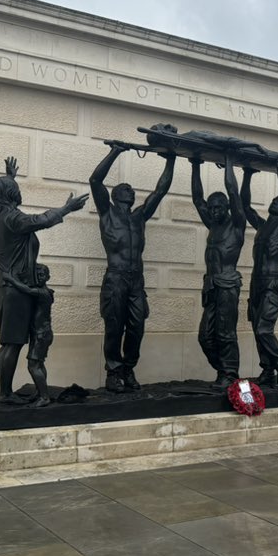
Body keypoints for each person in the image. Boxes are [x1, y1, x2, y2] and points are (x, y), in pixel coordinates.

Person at [0, 157, 88, 404]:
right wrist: (66, 209)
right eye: (16, 189)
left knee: (9, 341)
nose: (19, 191)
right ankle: (5, 394)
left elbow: (6, 200)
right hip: (15, 287)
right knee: (13, 343)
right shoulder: (12, 218)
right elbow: (40, 221)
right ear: (10, 195)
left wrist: (9, 178)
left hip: (4, 283)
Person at [90, 134, 176, 392]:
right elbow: (95, 180)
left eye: (131, 188)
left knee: (137, 326)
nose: (131, 190)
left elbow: (161, 190)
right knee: (114, 326)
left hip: (136, 280)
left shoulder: (139, 217)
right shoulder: (107, 212)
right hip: (116, 278)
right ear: (116, 195)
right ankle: (114, 372)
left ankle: (129, 368)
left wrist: (170, 159)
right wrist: (115, 152)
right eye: (125, 188)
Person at [191, 151, 246, 388]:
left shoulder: (237, 224)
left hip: (228, 285)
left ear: (227, 208)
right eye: (211, 208)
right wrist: (195, 164)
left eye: (218, 207)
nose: (213, 211)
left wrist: (228, 163)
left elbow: (234, 192)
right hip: (211, 286)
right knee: (205, 337)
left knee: (225, 333)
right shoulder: (212, 225)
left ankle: (229, 373)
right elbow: (197, 198)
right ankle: (224, 371)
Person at [241, 162, 278, 387]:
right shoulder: (263, 226)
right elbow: (245, 206)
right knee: (257, 328)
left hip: (272, 281)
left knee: (265, 329)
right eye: (274, 200)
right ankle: (267, 369)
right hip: (256, 281)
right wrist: (247, 175)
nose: (276, 201)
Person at [3, 264, 55, 406]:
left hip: (41, 335)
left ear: (48, 277)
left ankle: (44, 397)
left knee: (33, 366)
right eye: (36, 275)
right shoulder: (42, 291)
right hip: (40, 334)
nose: (39, 277)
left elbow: (26, 289)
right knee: (39, 364)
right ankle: (40, 392)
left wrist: (11, 279)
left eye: (42, 275)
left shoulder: (43, 292)